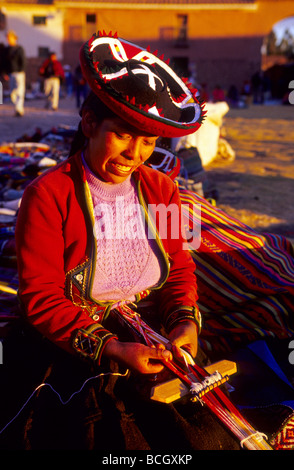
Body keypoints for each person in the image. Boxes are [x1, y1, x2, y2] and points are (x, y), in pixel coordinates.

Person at [9, 32, 240, 450]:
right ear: (90, 122)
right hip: (84, 341)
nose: (134, 154)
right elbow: (40, 296)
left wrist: (184, 322)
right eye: (122, 135)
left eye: (148, 141)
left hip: (156, 337)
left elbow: (182, 266)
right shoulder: (45, 195)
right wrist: (112, 347)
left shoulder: (168, 189)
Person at [3, 30, 26, 117]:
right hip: (10, 74)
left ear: (14, 38)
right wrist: (4, 73)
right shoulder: (6, 50)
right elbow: (4, 63)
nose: (9, 40)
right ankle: (17, 107)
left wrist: (21, 70)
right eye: (8, 38)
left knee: (20, 91)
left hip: (19, 73)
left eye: (10, 38)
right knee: (13, 93)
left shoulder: (19, 49)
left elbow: (23, 61)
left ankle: (19, 109)